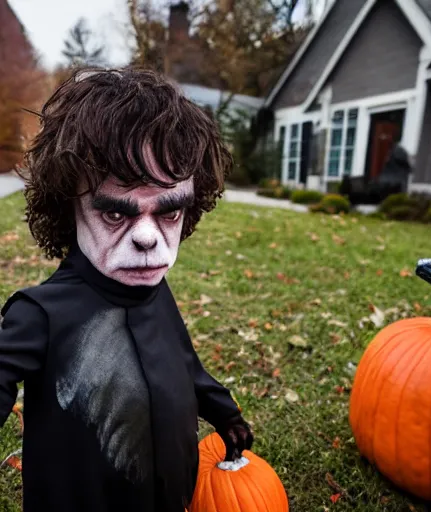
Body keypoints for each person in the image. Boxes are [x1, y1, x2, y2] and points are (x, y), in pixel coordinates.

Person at [0, 68, 253, 512]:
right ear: (68, 205)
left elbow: (185, 364)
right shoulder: (41, 312)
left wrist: (224, 411)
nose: (148, 238)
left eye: (168, 214)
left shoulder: (157, 291)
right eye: (116, 216)